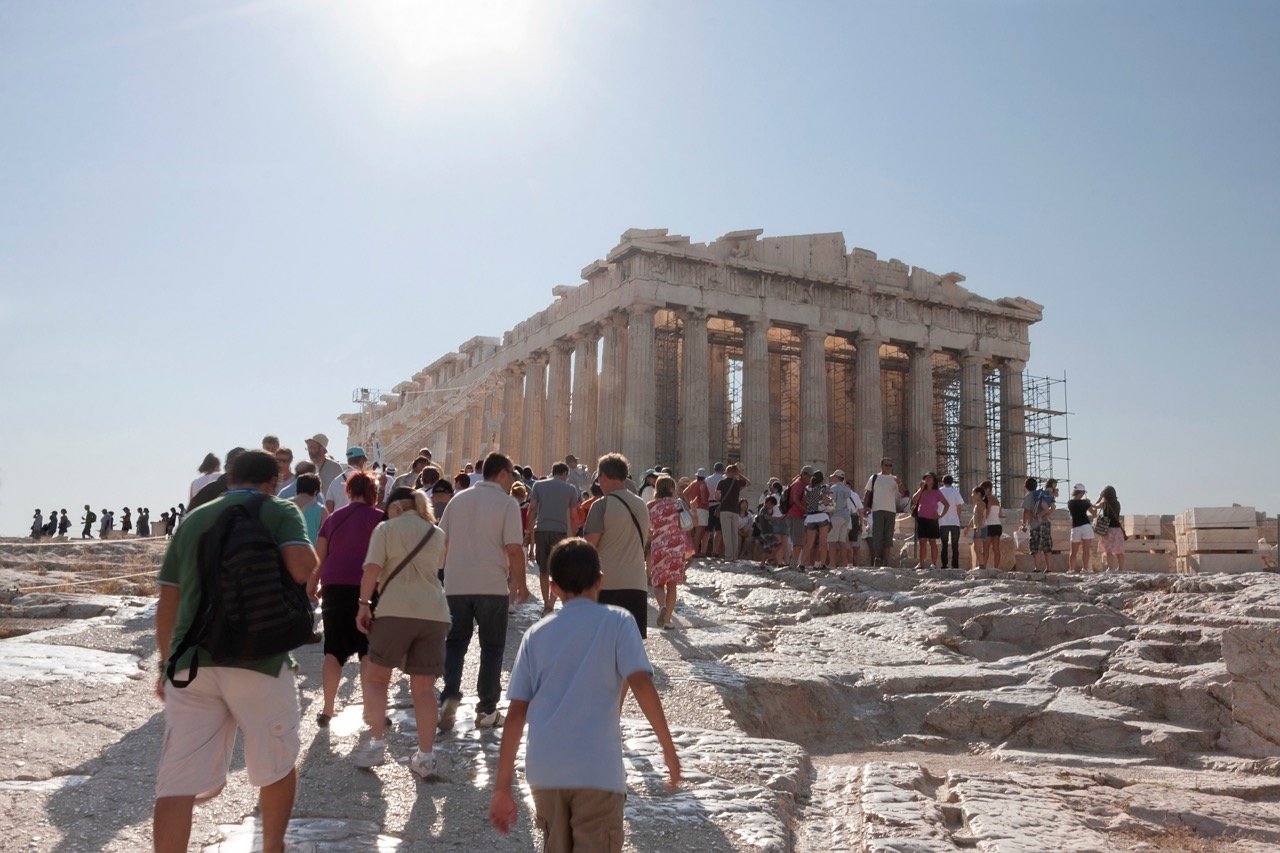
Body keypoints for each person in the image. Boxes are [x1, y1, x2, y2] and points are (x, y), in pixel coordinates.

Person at [152, 450, 317, 853]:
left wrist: (165, 664)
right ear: (273, 482)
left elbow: (168, 601)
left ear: (228, 479)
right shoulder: (278, 510)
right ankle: (272, 847)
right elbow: (302, 567)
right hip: (259, 658)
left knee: (177, 780)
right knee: (276, 763)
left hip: (191, 662)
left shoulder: (193, 520)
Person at [488, 538, 681, 848]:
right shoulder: (618, 622)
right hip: (597, 770)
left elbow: (515, 716)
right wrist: (668, 750)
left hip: (546, 771)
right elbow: (642, 684)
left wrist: (502, 788)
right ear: (600, 580)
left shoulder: (535, 635)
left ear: (552, 587)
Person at [352, 488, 450, 775]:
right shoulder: (437, 534)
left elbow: (372, 568)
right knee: (423, 689)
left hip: (395, 609)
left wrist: (363, 604)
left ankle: (377, 744)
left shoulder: (386, 529)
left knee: (377, 678)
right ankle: (426, 757)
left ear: (395, 507)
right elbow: (437, 568)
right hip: (434, 612)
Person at [437, 452, 530, 732]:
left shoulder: (458, 499)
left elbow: (442, 542)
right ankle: (487, 709)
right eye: (511, 474)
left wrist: (442, 576)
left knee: (455, 644)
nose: (512, 480)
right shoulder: (507, 503)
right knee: (492, 648)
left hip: (456, 585)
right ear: (502, 473)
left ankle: (450, 694)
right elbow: (514, 548)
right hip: (490, 585)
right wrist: (521, 585)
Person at [307, 472, 385, 728]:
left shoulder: (333, 519)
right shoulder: (379, 518)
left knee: (333, 651)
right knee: (367, 651)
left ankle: (327, 710)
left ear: (349, 491)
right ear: (373, 492)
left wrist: (312, 586)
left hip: (334, 585)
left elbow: (319, 557)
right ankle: (371, 711)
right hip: (367, 587)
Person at [583, 453, 651, 644]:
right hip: (636, 585)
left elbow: (588, 548)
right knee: (629, 649)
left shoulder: (601, 505)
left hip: (607, 585)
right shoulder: (641, 505)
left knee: (602, 647)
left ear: (603, 476)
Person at [527, 462, 581, 616]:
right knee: (557, 569)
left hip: (542, 530)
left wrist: (528, 530)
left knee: (543, 569)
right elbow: (573, 515)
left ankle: (546, 604)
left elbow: (532, 508)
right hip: (560, 532)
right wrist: (574, 534)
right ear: (564, 473)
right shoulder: (570, 488)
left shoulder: (538, 485)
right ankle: (552, 601)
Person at [646, 475, 693, 629]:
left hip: (658, 545)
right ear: (672, 488)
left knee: (658, 582)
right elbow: (690, 523)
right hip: (676, 546)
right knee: (672, 583)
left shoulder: (650, 505)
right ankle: (667, 620)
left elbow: (647, 529)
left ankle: (662, 607)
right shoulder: (678, 504)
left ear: (657, 489)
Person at [864, 458, 906, 567]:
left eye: (890, 465)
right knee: (877, 535)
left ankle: (886, 560)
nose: (889, 467)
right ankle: (877, 558)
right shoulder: (874, 477)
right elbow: (868, 493)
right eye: (887, 465)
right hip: (877, 509)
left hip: (891, 510)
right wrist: (865, 507)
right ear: (881, 466)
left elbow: (902, 493)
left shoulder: (894, 479)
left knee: (888, 535)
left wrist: (899, 483)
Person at [911, 473, 950, 570]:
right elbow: (914, 501)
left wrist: (940, 515)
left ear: (933, 480)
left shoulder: (937, 492)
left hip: (932, 519)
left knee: (932, 542)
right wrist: (920, 489)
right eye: (926, 478)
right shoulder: (922, 491)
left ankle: (934, 563)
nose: (927, 479)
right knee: (922, 542)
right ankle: (921, 563)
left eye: (930, 478)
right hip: (921, 518)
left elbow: (946, 504)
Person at [715, 464, 751, 562]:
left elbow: (717, 497)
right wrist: (739, 474)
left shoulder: (721, 482)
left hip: (725, 510)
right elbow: (748, 482)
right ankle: (734, 557)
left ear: (728, 472)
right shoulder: (738, 483)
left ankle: (729, 556)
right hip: (735, 511)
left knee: (727, 534)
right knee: (734, 534)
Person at [1021, 477, 1055, 573]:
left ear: (1026, 487)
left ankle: (1038, 568)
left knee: (1036, 547)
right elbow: (1052, 508)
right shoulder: (1043, 494)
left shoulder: (1029, 496)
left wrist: (1024, 525)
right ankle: (1049, 569)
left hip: (1036, 525)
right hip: (1046, 523)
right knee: (1047, 547)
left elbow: (1026, 512)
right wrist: (1044, 515)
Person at [800, 470, 832, 569]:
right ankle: (822, 564)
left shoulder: (807, 489)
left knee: (809, 543)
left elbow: (806, 502)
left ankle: (801, 564)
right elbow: (826, 501)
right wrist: (830, 501)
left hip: (810, 517)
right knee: (823, 542)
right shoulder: (822, 488)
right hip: (821, 516)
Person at [325, 447, 369, 514]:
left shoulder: (335, 482)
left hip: (338, 522)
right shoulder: (367, 480)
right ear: (361, 460)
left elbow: (329, 507)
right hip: (359, 521)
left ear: (348, 461)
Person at [784, 466, 812, 568]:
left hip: (794, 515)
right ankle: (793, 563)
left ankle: (794, 562)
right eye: (809, 476)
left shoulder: (797, 483)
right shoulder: (799, 484)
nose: (810, 479)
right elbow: (795, 499)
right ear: (804, 475)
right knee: (798, 541)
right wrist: (805, 509)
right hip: (796, 515)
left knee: (797, 540)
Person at [827, 470, 854, 568]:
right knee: (842, 541)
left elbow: (831, 503)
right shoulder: (847, 489)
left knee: (832, 541)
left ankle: (832, 563)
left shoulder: (833, 488)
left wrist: (829, 514)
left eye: (833, 477)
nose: (832, 478)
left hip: (836, 515)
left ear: (836, 477)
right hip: (845, 516)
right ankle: (844, 563)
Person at [290, 472, 327, 545]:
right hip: (311, 553)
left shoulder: (284, 505)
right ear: (316, 491)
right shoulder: (321, 510)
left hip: (286, 553)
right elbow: (326, 538)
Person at [1095, 485, 1125, 572]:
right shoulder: (1118, 503)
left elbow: (1094, 506)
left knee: (1108, 550)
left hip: (1108, 529)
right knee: (1120, 550)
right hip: (1118, 529)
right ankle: (1121, 568)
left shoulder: (1104, 503)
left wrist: (1100, 497)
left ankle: (1110, 568)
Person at [681, 468, 711, 557]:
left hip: (693, 508)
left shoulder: (693, 483)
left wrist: (689, 503)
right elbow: (702, 493)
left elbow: (684, 492)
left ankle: (692, 551)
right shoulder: (703, 484)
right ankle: (695, 552)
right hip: (702, 509)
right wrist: (704, 500)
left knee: (694, 532)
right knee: (699, 531)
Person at [1067, 483, 1095, 572]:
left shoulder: (1070, 503)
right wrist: (1089, 503)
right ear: (1082, 492)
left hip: (1076, 527)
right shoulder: (1085, 503)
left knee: (1073, 551)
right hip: (1086, 526)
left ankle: (1071, 569)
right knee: (1086, 551)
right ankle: (1085, 568)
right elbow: (1094, 513)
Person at [938, 475, 964, 570]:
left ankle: (944, 565)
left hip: (943, 521)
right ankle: (955, 565)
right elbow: (959, 507)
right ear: (952, 482)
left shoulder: (939, 491)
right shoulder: (955, 492)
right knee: (955, 545)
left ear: (942, 481)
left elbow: (936, 506)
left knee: (944, 544)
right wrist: (959, 518)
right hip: (954, 522)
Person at [982, 481, 1004, 569]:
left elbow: (987, 512)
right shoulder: (996, 499)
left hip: (989, 525)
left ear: (988, 489)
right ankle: (996, 568)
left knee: (985, 548)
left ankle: (983, 566)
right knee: (996, 548)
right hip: (997, 525)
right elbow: (1000, 514)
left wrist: (981, 522)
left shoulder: (987, 499)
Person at [969, 486, 989, 569]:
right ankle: (981, 564)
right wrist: (968, 526)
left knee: (977, 547)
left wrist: (979, 528)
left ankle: (981, 565)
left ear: (979, 494)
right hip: (978, 527)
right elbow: (974, 517)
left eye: (973, 493)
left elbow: (981, 517)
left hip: (981, 527)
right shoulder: (977, 504)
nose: (972, 495)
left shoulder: (981, 504)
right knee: (976, 547)